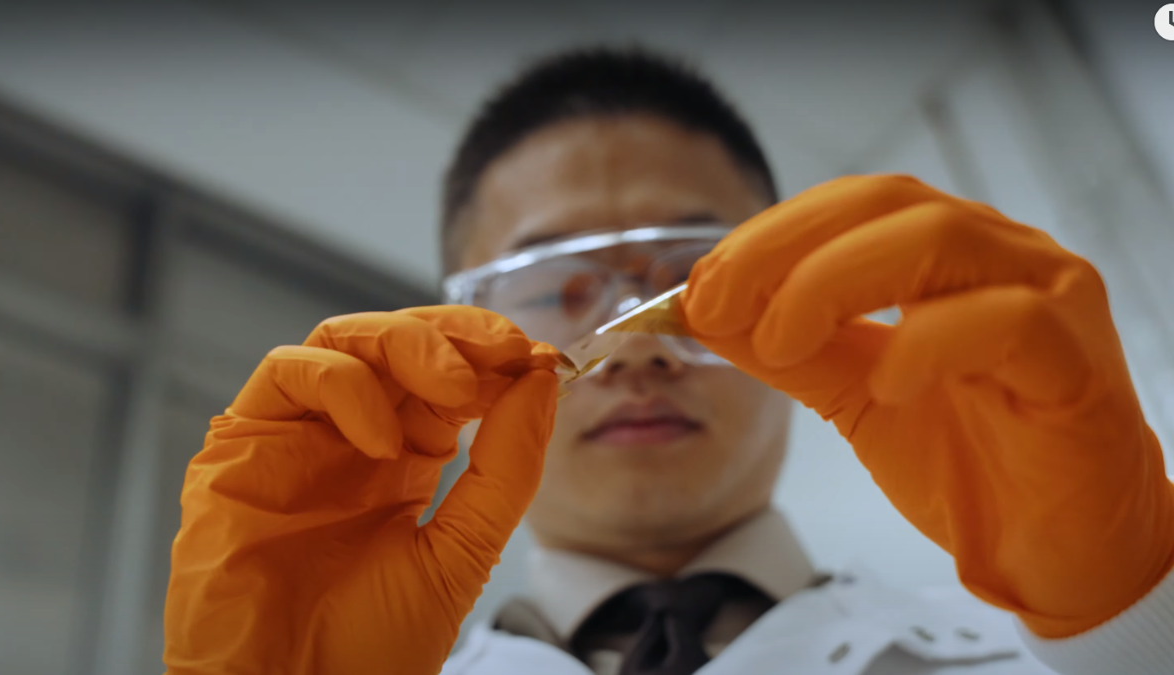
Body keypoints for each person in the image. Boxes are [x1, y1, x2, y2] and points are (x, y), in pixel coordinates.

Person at [162, 48, 1174, 675]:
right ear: (452, 328)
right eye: (559, 291)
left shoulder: (1060, 657)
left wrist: (1136, 622)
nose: (635, 348)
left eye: (690, 277)